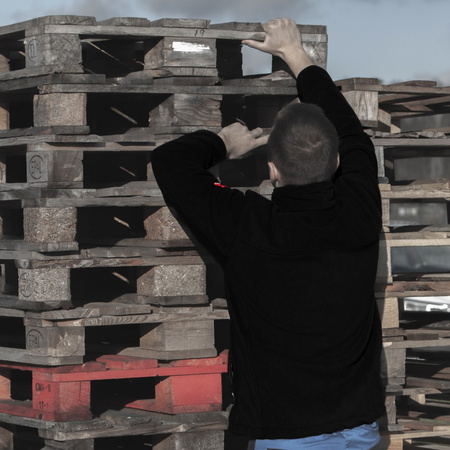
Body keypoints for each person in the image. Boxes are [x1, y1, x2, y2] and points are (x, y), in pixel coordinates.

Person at [151, 18, 385, 449]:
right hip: (361, 432)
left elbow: (169, 162)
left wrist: (223, 144)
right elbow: (353, 135)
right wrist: (295, 54)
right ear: (336, 164)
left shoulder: (248, 226)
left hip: (285, 437)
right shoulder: (360, 213)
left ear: (272, 170)